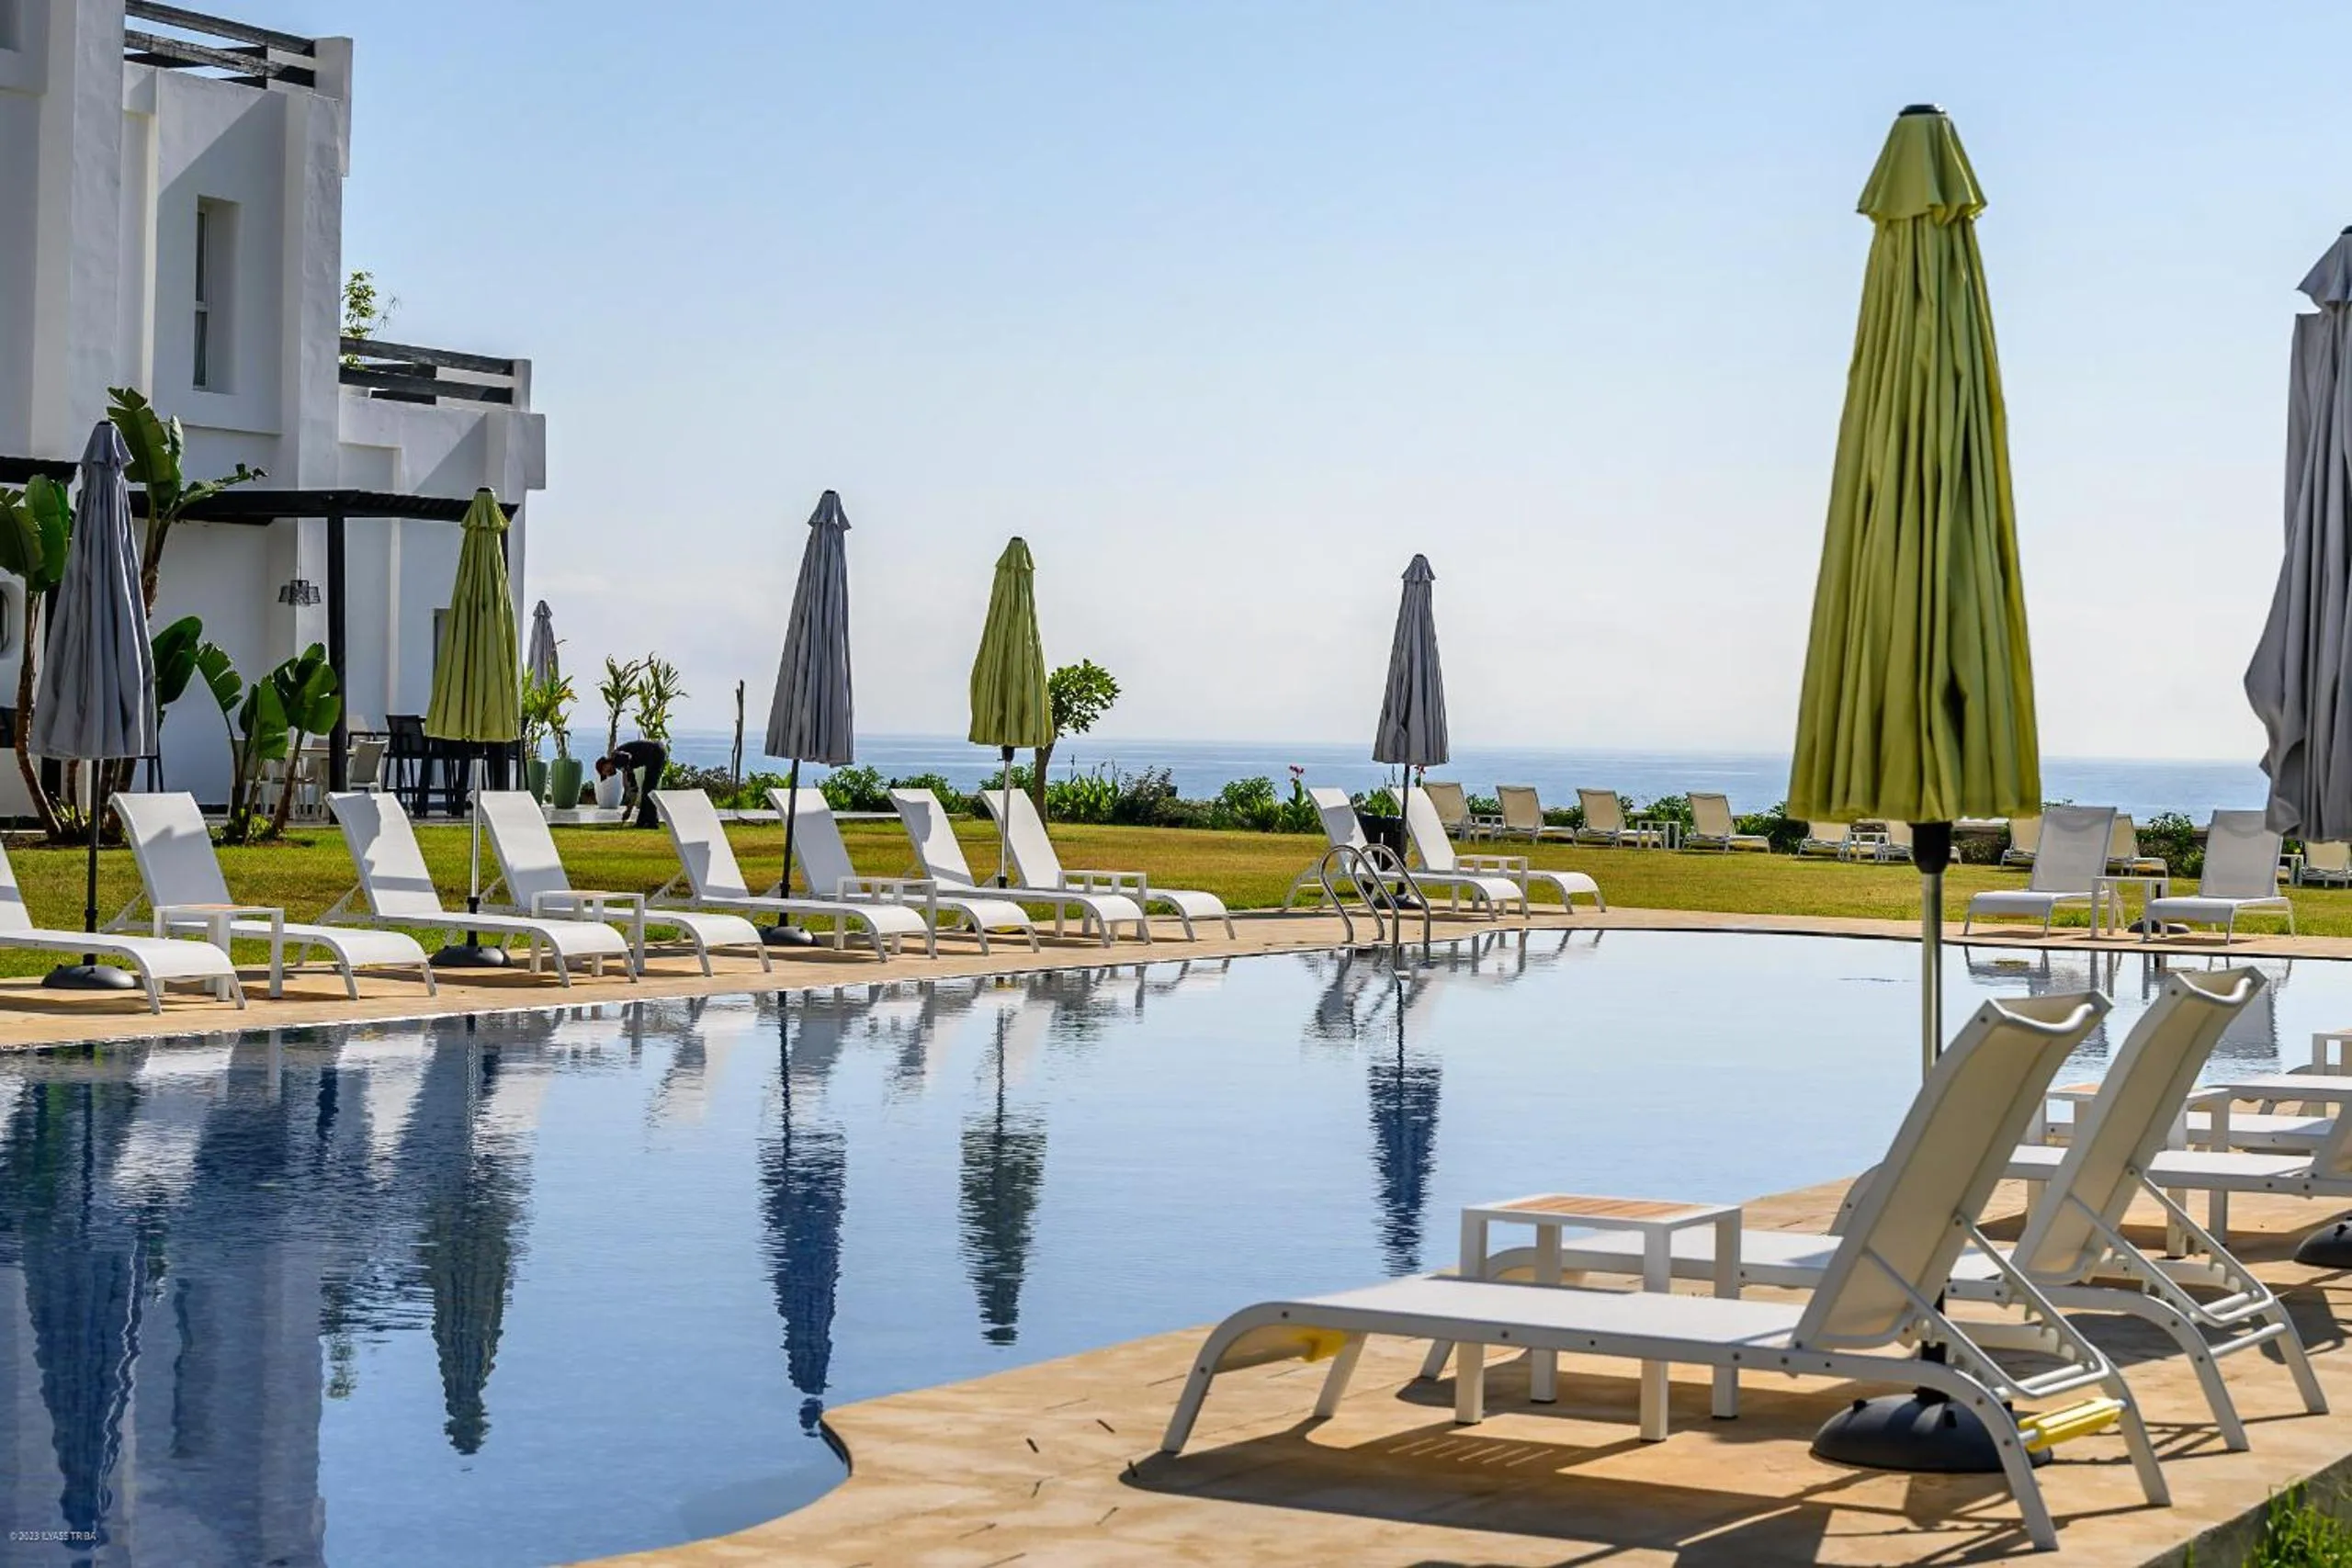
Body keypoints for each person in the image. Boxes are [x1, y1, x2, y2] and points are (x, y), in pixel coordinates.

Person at [597, 738, 668, 829]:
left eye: (605, 771)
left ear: (605, 764)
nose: (608, 774)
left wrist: (625, 775)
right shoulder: (619, 763)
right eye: (606, 775)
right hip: (655, 752)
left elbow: (627, 757)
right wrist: (629, 811)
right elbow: (634, 789)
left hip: (655, 752)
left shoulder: (616, 758)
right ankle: (642, 822)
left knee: (648, 791)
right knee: (646, 791)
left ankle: (652, 823)